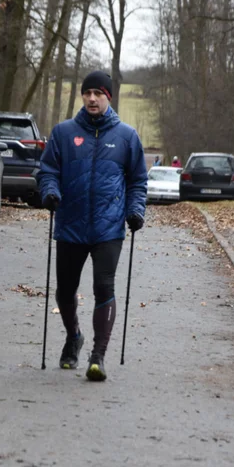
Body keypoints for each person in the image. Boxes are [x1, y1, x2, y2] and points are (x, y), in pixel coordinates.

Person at [37, 71, 148, 382]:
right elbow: (47, 171)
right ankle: (74, 336)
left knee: (104, 287)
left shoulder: (127, 137)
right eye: (87, 93)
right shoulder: (63, 133)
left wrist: (135, 210)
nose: (91, 98)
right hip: (70, 225)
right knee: (64, 292)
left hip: (108, 228)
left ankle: (98, 355)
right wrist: (50, 192)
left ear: (108, 97)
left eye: (98, 93)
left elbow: (138, 181)